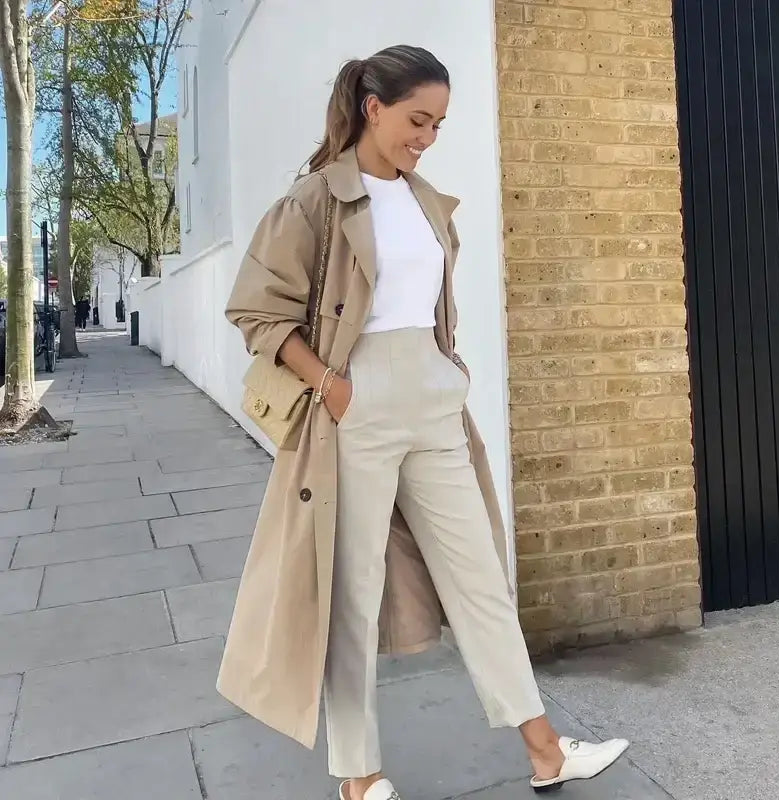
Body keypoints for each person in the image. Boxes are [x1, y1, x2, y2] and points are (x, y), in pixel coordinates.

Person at [219, 45, 629, 800]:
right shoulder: (315, 200)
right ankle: (360, 775)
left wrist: (451, 367)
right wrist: (332, 388)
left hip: (434, 406)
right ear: (373, 107)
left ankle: (545, 751)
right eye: (417, 120)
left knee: (479, 579)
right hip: (356, 408)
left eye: (438, 124)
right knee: (352, 589)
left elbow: (427, 302)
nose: (427, 137)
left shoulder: (426, 198)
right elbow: (255, 309)